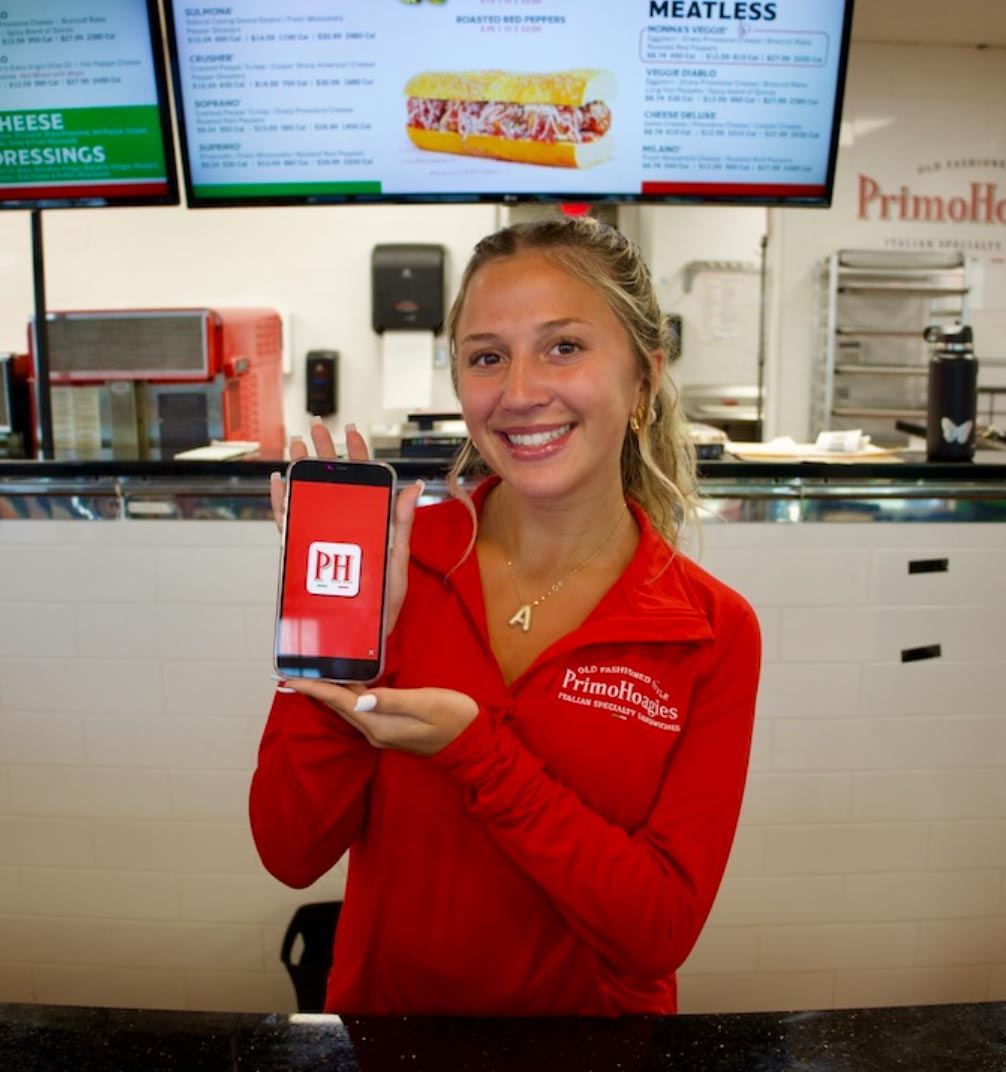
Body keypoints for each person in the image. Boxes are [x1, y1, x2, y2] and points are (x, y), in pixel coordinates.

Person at [250, 215, 761, 1016]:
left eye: (563, 346)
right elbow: (288, 850)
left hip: (595, 1049)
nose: (520, 393)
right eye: (487, 357)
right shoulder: (399, 564)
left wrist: (481, 756)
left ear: (644, 379)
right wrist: (342, 641)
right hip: (391, 1034)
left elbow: (657, 929)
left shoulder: (709, 627)